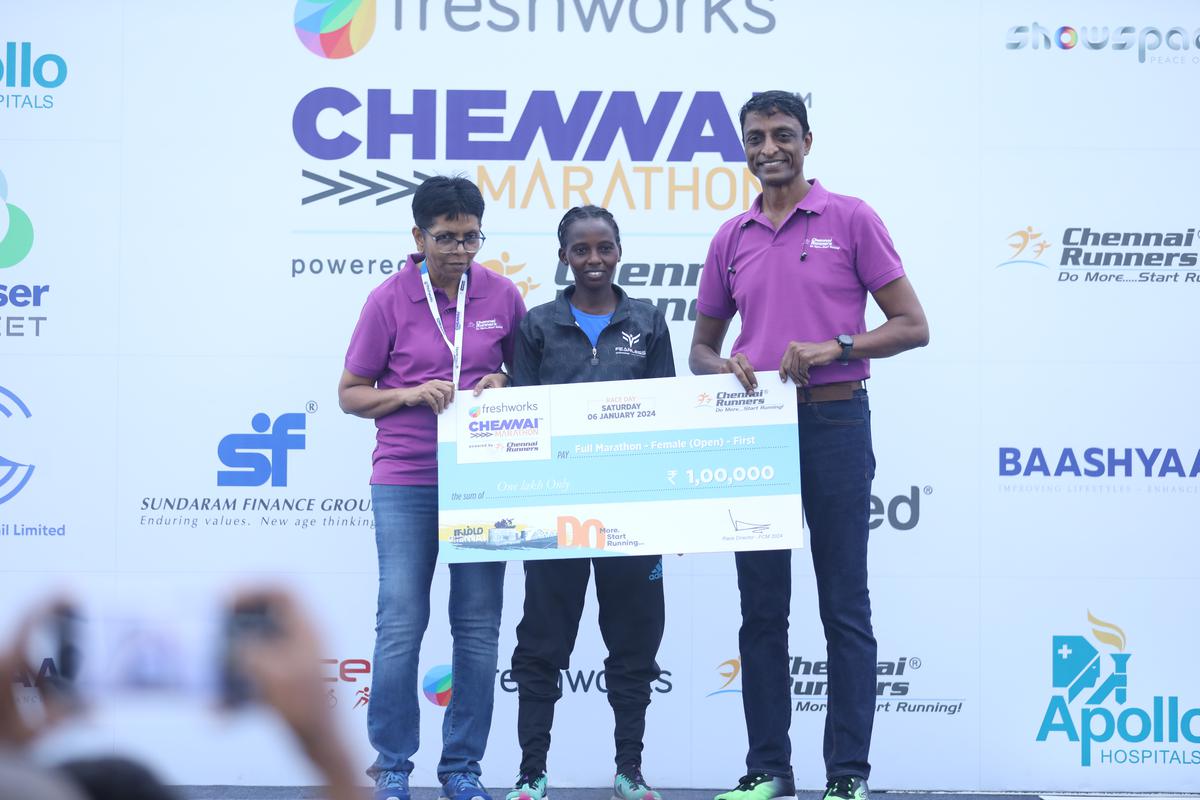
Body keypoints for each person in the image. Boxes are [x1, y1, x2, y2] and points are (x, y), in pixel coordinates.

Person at [689, 91, 929, 800]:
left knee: (843, 607)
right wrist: (722, 364)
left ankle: (847, 777)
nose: (770, 147)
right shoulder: (730, 237)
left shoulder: (850, 218)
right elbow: (701, 347)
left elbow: (913, 325)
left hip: (834, 423)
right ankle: (768, 770)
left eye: (783, 135)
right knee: (761, 609)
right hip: (754, 431)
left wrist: (837, 346)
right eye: (757, 136)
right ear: (744, 146)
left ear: (807, 141)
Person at [338, 176, 527, 800]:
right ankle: (392, 764)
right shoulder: (389, 298)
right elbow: (350, 393)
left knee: (477, 627)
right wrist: (409, 395)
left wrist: (503, 377)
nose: (460, 250)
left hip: (484, 481)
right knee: (400, 622)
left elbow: (528, 377)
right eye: (446, 238)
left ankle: (462, 768)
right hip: (407, 478)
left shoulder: (502, 293)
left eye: (471, 236)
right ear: (417, 236)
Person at [505, 206, 674, 800]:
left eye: (605, 248)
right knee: (542, 645)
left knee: (633, 646)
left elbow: (665, 423)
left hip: (631, 517)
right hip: (556, 516)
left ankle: (629, 771)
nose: (594, 260)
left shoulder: (650, 321)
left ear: (620, 250)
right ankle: (531, 774)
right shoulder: (537, 325)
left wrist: (666, 511)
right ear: (564, 257)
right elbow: (518, 420)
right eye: (581, 250)